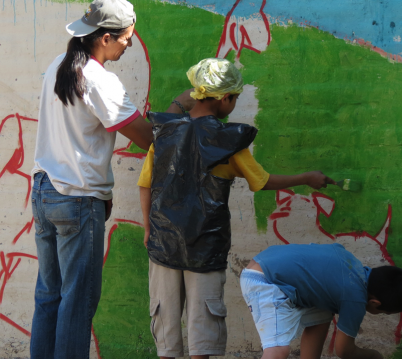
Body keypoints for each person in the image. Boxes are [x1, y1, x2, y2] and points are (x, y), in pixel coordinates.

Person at [138, 58, 335, 359]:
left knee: (166, 331)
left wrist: (149, 228)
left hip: (163, 245)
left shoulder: (164, 133)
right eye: (235, 97)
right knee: (202, 332)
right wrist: (307, 178)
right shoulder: (229, 143)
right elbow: (263, 181)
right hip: (205, 248)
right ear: (225, 98)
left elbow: (145, 183)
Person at [29, 0, 195, 357]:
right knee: (77, 302)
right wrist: (180, 108)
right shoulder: (99, 80)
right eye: (126, 39)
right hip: (76, 198)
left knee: (49, 296)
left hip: (44, 191)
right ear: (105, 38)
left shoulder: (58, 65)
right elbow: (147, 137)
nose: (129, 45)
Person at [241, 243, 402, 359]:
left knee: (323, 313)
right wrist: (373, 355)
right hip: (266, 281)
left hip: (266, 265)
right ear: (375, 303)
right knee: (278, 350)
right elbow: (344, 350)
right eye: (383, 313)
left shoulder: (352, 265)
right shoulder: (356, 298)